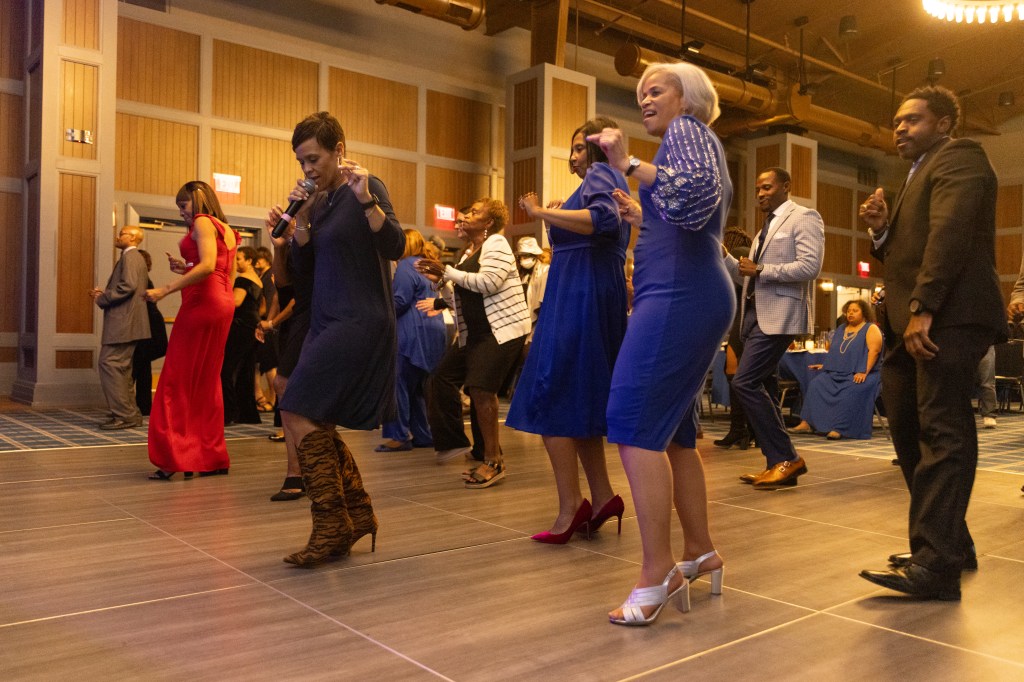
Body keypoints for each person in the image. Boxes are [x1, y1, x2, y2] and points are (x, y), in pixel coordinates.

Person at [589, 62, 733, 626]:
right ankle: (699, 550)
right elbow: (684, 215)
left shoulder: (687, 131)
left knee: (631, 421)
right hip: (687, 290)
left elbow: (694, 197)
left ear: (687, 97)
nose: (645, 99)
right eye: (639, 93)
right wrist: (640, 211)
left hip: (678, 294)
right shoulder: (687, 142)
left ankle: (658, 572)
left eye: (656, 90)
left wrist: (627, 163)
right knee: (674, 433)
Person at [858, 86, 1003, 600]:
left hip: (950, 315)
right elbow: (907, 252)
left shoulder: (960, 156)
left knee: (942, 429)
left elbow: (950, 234)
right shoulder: (913, 175)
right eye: (897, 121)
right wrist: (881, 232)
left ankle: (936, 565)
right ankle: (951, 544)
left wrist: (924, 307)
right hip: (914, 320)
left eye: (913, 120)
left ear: (943, 124)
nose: (900, 128)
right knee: (906, 425)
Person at [266, 111, 405, 566]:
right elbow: (303, 275)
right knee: (310, 416)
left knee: (296, 407)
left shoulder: (366, 186)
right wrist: (301, 222)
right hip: (327, 319)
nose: (308, 169)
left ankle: (332, 526)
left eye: (314, 158)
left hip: (359, 319)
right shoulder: (320, 202)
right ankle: (357, 513)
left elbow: (396, 246)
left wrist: (367, 201)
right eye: (301, 162)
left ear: (338, 150)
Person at [506, 116, 630, 544]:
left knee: (553, 397)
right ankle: (602, 496)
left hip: (580, 295)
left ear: (596, 148)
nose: (573, 156)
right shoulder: (600, 180)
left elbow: (603, 220)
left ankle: (571, 506)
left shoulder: (600, 173)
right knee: (579, 402)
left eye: (579, 147)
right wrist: (558, 213)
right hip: (587, 291)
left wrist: (543, 212)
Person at [416, 199, 531, 488]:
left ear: (489, 222)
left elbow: (489, 283)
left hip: (502, 329)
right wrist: (441, 280)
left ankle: (494, 461)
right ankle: (456, 443)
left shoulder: (497, 243)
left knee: (481, 388)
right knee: (441, 378)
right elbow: (458, 296)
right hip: (476, 332)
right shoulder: (471, 251)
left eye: (474, 213)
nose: (466, 217)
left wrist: (447, 271)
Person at [727, 167, 825, 489]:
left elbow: (810, 267)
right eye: (758, 189)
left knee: (744, 382)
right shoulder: (763, 230)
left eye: (767, 188)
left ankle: (787, 458)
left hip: (781, 315)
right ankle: (779, 463)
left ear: (786, 186)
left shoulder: (804, 217)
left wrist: (761, 269)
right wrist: (725, 257)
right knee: (764, 388)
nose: (760, 194)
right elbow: (747, 275)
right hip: (754, 317)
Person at [146, 181, 238, 480]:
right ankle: (211, 455)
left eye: (183, 205)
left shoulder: (202, 221)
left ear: (197, 200)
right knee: (206, 381)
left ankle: (174, 458)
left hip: (201, 303)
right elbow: (225, 272)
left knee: (176, 380)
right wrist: (186, 268)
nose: (181, 212)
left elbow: (208, 265)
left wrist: (166, 289)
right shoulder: (226, 228)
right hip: (222, 302)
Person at [375, 229, 447, 452]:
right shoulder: (429, 265)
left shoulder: (406, 265)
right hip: (434, 329)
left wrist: (377, 311)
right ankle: (423, 434)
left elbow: (400, 300)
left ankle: (399, 435)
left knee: (397, 385)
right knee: (417, 388)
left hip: (411, 332)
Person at [788, 299, 883, 440]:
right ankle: (807, 423)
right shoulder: (841, 329)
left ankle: (840, 428)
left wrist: (863, 371)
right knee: (816, 384)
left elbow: (874, 351)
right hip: (838, 372)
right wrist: (825, 366)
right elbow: (837, 353)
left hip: (865, 373)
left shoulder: (871, 328)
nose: (850, 313)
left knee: (851, 389)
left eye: (855, 311)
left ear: (863, 313)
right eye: (848, 311)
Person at [90, 225, 151, 430]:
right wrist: (106, 294)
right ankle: (129, 414)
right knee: (121, 368)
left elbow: (128, 286)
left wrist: (103, 298)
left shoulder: (130, 256)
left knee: (110, 364)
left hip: (123, 322)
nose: (118, 237)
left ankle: (125, 415)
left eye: (122, 233)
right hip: (129, 322)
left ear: (132, 238)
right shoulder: (133, 257)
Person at [714, 227, 754, 450]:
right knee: (741, 374)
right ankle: (744, 429)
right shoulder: (744, 251)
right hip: (746, 317)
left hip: (745, 317)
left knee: (734, 369)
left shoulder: (737, 253)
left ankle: (740, 429)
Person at [221, 245, 263, 426]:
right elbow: (262, 307)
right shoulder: (258, 280)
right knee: (246, 371)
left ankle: (228, 412)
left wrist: (221, 294)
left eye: (238, 259)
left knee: (226, 370)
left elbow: (236, 301)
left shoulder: (242, 279)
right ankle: (247, 414)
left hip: (241, 327)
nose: (235, 263)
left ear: (249, 261)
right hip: (252, 326)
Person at [131, 249, 168, 417]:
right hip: (150, 325)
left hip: (148, 326)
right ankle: (143, 406)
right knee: (142, 367)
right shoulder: (144, 279)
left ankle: (130, 405)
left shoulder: (140, 280)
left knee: (136, 366)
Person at [253, 246, 278, 412]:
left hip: (269, 324)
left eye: (260, 258)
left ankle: (274, 399)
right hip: (265, 322)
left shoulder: (269, 276)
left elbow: (270, 301)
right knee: (262, 363)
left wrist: (268, 322)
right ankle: (264, 397)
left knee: (269, 363)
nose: (257, 261)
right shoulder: (262, 276)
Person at [974, 346, 997, 428]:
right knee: (959, 381)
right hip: (962, 342)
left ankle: (989, 415)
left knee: (987, 381)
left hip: (986, 343)